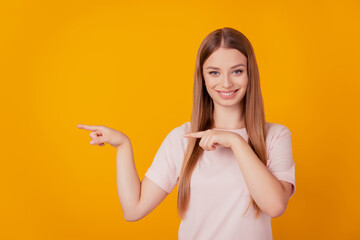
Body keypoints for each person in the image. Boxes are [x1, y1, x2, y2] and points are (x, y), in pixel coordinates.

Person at [77, 27, 296, 240]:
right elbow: (133, 210)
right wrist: (123, 145)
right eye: (214, 72)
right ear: (202, 77)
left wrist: (236, 142)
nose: (226, 82)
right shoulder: (183, 138)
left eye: (237, 71)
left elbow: (275, 206)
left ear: (250, 74)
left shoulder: (276, 136)